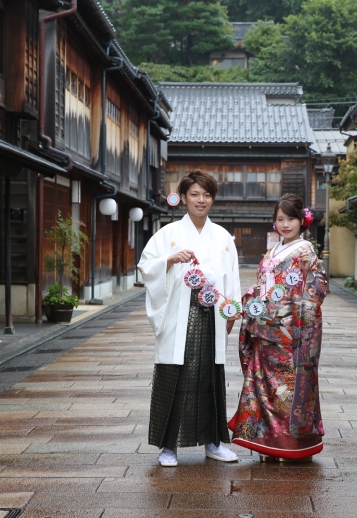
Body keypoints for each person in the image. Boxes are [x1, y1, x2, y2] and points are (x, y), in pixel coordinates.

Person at [138, 170, 241, 467]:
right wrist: (169, 260)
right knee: (176, 378)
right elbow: (146, 267)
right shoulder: (168, 235)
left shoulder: (222, 236)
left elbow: (230, 278)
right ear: (183, 197)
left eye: (207, 195)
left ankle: (213, 442)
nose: (201, 200)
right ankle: (168, 447)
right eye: (195, 194)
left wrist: (230, 309)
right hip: (178, 315)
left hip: (211, 318)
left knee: (211, 378)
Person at [230, 193, 328, 462]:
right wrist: (247, 302)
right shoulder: (272, 251)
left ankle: (291, 445)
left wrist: (312, 273)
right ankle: (267, 442)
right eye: (280, 219)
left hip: (290, 332)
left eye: (291, 219)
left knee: (287, 389)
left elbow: (316, 285)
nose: (286, 225)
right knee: (264, 387)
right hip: (264, 329)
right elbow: (263, 286)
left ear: (302, 221)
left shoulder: (306, 250)